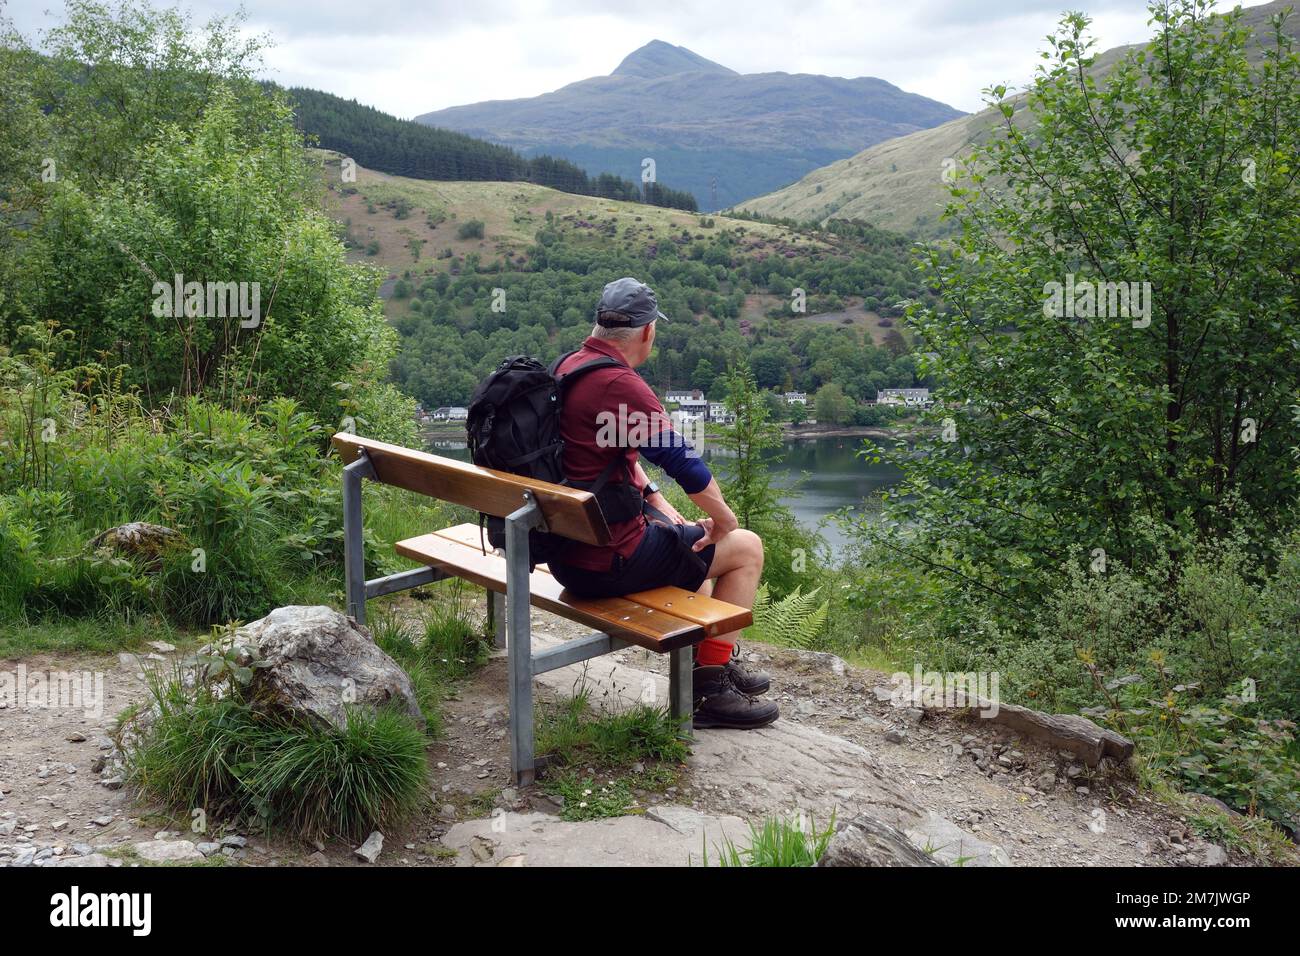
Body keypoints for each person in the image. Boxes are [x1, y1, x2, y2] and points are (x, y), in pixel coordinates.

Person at [548, 277, 779, 729]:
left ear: (600, 324)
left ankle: (711, 668)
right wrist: (724, 520)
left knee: (690, 549)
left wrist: (654, 499)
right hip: (607, 563)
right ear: (648, 332)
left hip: (562, 554)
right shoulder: (619, 384)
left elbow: (599, 455)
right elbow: (684, 463)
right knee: (745, 547)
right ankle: (711, 689)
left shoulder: (568, 368)